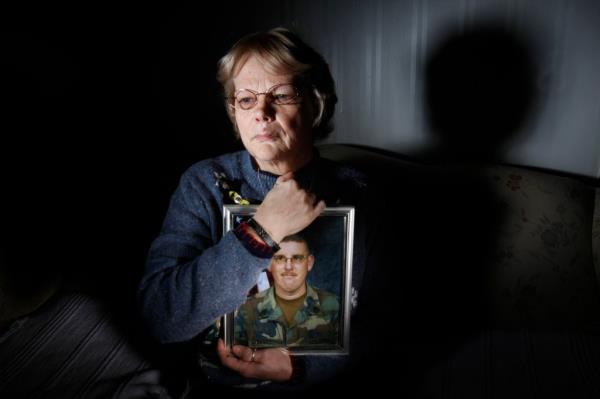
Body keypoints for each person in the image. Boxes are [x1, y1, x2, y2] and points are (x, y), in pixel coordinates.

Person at [138, 27, 375, 392]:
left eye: (281, 95)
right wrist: (260, 233)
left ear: (314, 103)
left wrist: (298, 369)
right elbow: (159, 317)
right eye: (246, 100)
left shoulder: (358, 191)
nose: (262, 113)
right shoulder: (204, 183)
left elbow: (389, 322)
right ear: (234, 111)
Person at [234, 234, 340, 348]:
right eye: (280, 258)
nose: (288, 266)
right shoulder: (246, 309)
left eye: (297, 258)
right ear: (269, 264)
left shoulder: (335, 306)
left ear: (309, 263)